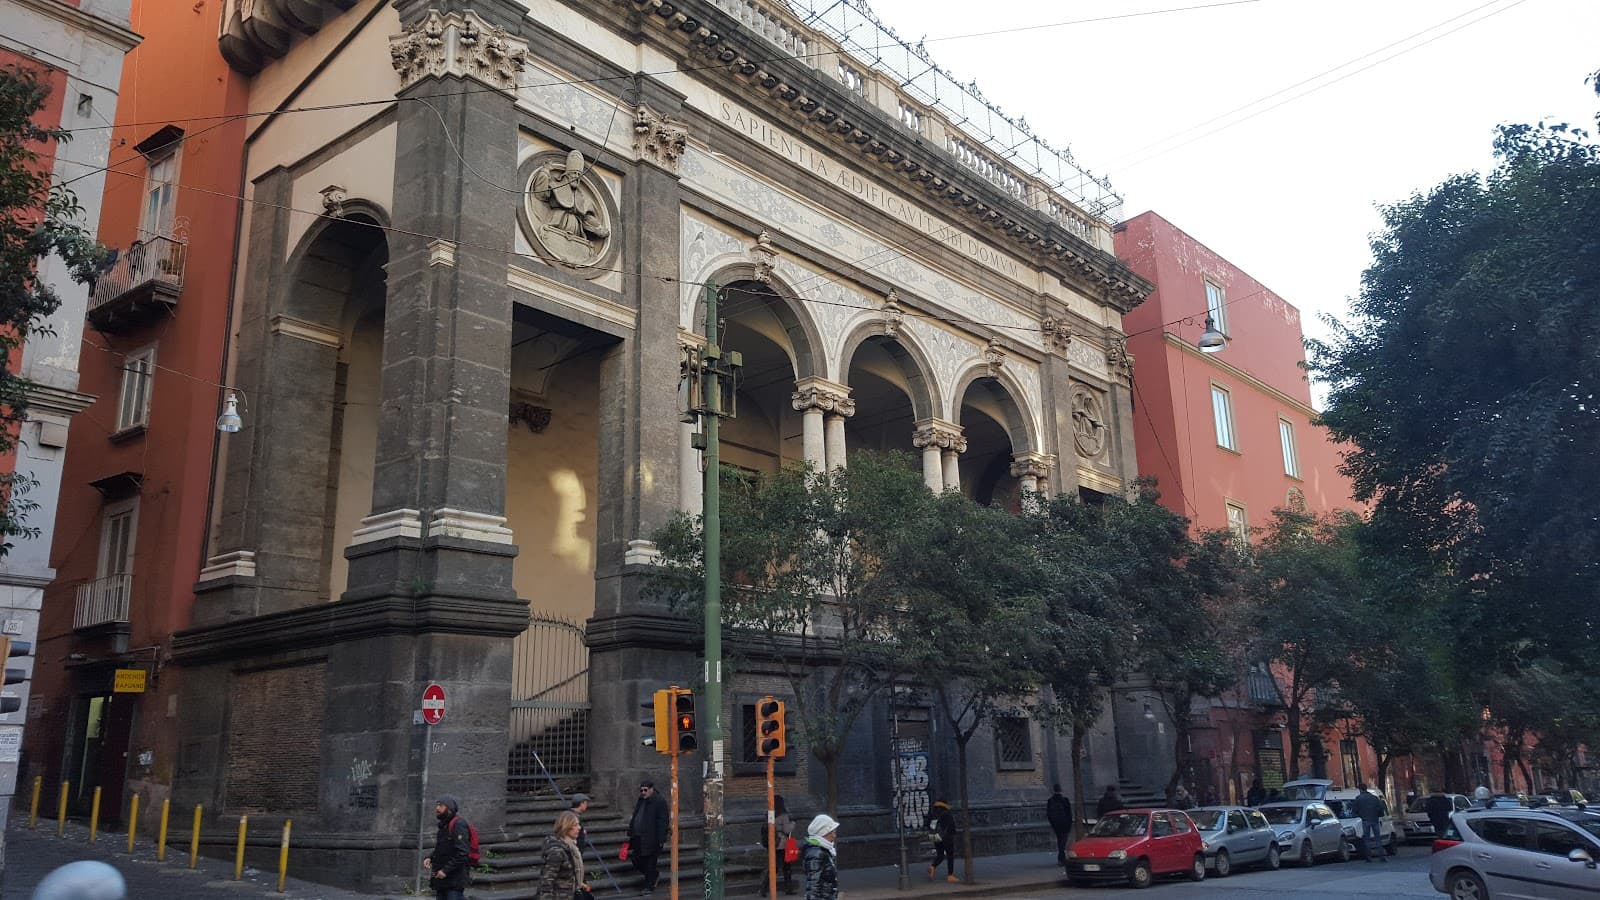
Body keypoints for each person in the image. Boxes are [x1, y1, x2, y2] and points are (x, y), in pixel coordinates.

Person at [422, 795, 472, 900]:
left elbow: (463, 853)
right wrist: (430, 858)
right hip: (442, 879)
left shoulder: (458, 824)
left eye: (440, 805)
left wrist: (445, 870)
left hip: (454, 879)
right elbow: (442, 848)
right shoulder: (444, 825)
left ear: (449, 808)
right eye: (437, 805)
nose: (437, 808)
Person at [627, 780, 669, 894]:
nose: (643, 792)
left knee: (650, 862)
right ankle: (654, 876)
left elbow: (663, 821)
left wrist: (661, 840)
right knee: (636, 859)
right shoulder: (641, 800)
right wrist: (631, 832)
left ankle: (648, 886)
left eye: (645, 790)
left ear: (651, 789)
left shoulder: (659, 801)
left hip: (652, 839)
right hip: (639, 837)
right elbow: (636, 815)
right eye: (641, 790)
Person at [538, 811, 592, 900]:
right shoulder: (557, 850)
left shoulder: (572, 847)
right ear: (567, 827)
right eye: (575, 825)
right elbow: (547, 880)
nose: (579, 828)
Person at [760, 794, 797, 895]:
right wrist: (793, 824)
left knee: (773, 867)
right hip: (782, 844)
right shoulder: (783, 815)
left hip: (772, 843)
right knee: (787, 867)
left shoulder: (769, 814)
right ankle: (788, 889)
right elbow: (786, 830)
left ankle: (763, 888)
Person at [802, 814, 840, 900]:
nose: (834, 836)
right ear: (823, 833)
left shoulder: (823, 850)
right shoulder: (816, 853)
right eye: (832, 832)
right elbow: (813, 884)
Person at [1352, 783, 1387, 863]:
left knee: (1367, 839)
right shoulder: (1374, 798)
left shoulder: (1358, 798)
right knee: (1377, 838)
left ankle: (1368, 857)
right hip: (1374, 819)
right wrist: (1378, 815)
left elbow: (1354, 810)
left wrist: (1360, 815)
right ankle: (1381, 856)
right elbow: (1381, 808)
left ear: (1360, 789)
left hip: (1365, 820)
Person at [926, 800, 959, 883]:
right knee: (950, 856)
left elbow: (927, 824)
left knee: (940, 855)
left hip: (936, 837)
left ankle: (933, 867)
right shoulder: (946, 814)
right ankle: (950, 876)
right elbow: (951, 826)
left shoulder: (933, 814)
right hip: (947, 838)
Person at [1046, 784, 1074, 866]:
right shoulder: (1065, 800)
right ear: (1061, 790)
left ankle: (1061, 858)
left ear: (1053, 790)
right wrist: (1069, 824)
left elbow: (1048, 814)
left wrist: (1053, 823)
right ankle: (1061, 858)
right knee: (1063, 841)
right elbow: (1069, 814)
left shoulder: (1050, 801)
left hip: (1056, 825)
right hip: (1065, 825)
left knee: (1060, 840)